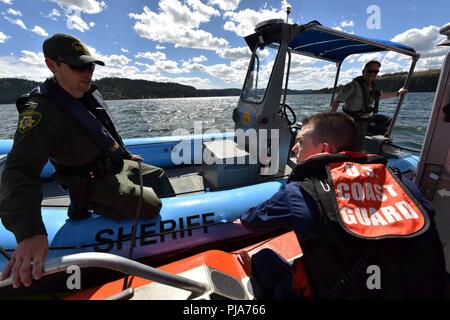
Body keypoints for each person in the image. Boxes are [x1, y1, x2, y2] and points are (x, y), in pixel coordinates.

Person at [0, 34, 175, 288]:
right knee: (150, 204)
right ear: (52, 65)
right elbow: (18, 171)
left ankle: (171, 231)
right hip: (91, 181)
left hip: (115, 165)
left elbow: (105, 133)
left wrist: (125, 155)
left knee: (157, 174)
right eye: (78, 67)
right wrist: (29, 232)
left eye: (90, 66)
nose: (87, 73)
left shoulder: (87, 94)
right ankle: (84, 207)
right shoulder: (40, 112)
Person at [240, 112, 446, 299]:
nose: (294, 148)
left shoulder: (299, 192)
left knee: (262, 260)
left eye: (300, 142)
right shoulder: (402, 182)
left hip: (343, 291)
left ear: (324, 149)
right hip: (416, 289)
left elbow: (252, 220)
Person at [329, 60, 408, 150]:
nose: (372, 73)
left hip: (363, 123)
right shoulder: (352, 86)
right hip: (351, 123)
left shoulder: (373, 87)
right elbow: (336, 101)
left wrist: (398, 93)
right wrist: (331, 121)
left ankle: (355, 160)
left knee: (358, 148)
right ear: (363, 71)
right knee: (348, 147)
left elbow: (383, 95)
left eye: (375, 71)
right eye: (369, 71)